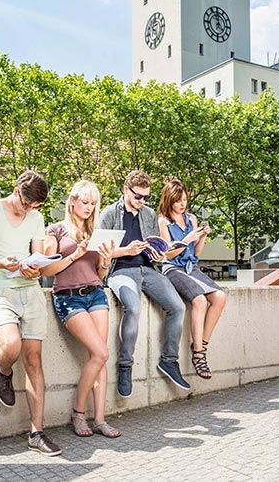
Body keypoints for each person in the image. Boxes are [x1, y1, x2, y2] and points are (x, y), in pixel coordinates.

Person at [0, 171, 61, 456]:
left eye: (36, 207)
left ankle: (37, 433)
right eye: (28, 203)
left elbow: (38, 255)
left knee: (33, 359)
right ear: (17, 190)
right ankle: (3, 369)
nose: (31, 210)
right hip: (0, 290)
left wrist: (34, 267)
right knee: (11, 346)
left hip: (30, 290)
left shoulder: (36, 218)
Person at [42, 180, 121, 438]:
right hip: (68, 297)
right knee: (100, 353)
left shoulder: (96, 232)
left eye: (93, 203)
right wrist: (76, 254)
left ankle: (99, 419)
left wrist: (106, 262)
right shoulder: (55, 230)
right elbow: (47, 270)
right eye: (85, 202)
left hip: (96, 293)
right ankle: (78, 413)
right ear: (73, 201)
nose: (89, 207)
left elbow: (99, 272)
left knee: (101, 357)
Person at [100, 170, 189, 397]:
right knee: (134, 307)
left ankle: (169, 360)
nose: (142, 201)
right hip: (120, 271)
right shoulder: (109, 213)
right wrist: (126, 250)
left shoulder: (149, 214)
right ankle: (125, 365)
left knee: (178, 307)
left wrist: (158, 255)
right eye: (138, 196)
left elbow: (153, 246)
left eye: (146, 197)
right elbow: (100, 253)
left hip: (148, 270)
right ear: (126, 190)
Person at [158, 177, 227, 380]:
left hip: (190, 267)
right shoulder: (164, 221)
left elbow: (196, 253)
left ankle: (201, 344)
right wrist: (185, 239)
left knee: (220, 297)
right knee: (199, 300)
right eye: (178, 200)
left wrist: (203, 237)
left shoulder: (192, 219)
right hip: (172, 269)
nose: (182, 204)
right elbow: (167, 255)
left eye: (185, 200)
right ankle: (198, 355)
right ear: (169, 200)